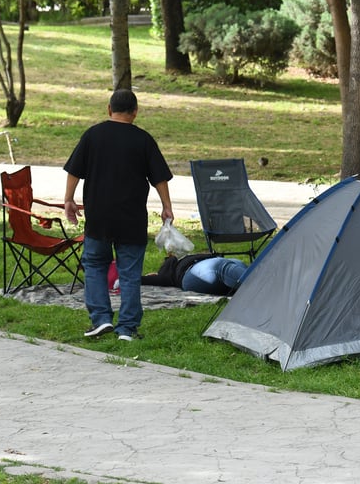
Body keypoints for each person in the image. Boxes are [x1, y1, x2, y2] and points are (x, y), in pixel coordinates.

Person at [64, 89, 174, 341]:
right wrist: (166, 206)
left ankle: (101, 319)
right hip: (132, 218)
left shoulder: (92, 135)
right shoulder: (143, 140)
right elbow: (159, 178)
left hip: (99, 216)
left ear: (108, 109)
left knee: (94, 265)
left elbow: (74, 171)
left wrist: (69, 199)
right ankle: (127, 328)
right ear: (135, 112)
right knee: (129, 273)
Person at [142, 254, 248, 296]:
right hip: (190, 274)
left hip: (207, 264)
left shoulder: (182, 259)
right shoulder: (167, 274)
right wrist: (149, 277)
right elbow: (145, 280)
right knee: (222, 267)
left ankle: (257, 286)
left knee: (238, 264)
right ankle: (259, 290)